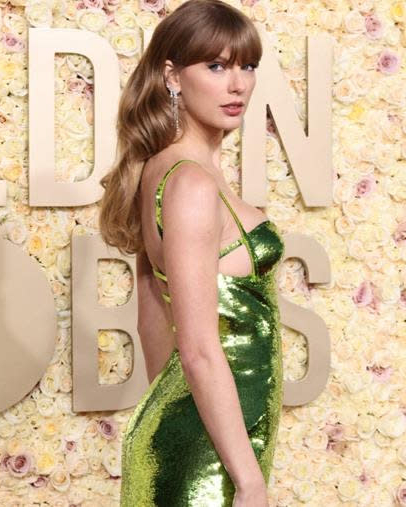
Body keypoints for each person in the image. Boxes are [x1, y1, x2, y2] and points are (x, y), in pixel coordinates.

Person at [97, 1, 283, 505]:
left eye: (247, 66)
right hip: (209, 456)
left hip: (202, 434)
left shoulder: (157, 172)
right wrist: (248, 480)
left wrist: (172, 415)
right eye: (216, 66)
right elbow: (197, 348)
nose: (238, 84)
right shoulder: (193, 185)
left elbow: (152, 318)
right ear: (172, 76)